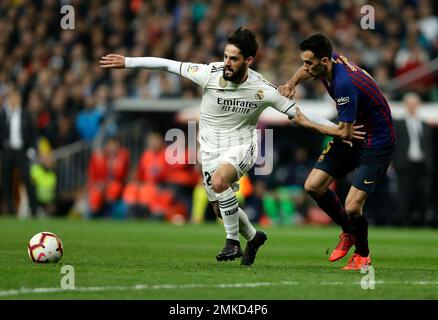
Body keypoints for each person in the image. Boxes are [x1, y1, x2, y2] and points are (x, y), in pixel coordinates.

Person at [100, 28, 361, 265]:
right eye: (225, 56)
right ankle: (253, 236)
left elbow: (301, 116)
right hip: (210, 150)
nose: (227, 62)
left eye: (234, 58)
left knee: (221, 181)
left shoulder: (262, 89)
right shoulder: (208, 74)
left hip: (242, 146)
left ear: (249, 60)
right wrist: (128, 62)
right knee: (219, 208)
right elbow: (169, 65)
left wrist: (337, 129)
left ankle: (232, 242)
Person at [279, 33, 395, 270]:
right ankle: (348, 232)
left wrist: (306, 123)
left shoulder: (344, 84)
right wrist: (291, 83)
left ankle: (363, 255)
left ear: (324, 62)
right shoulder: (330, 61)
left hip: (376, 141)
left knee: (353, 206)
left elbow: (343, 133)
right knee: (313, 185)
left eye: (310, 63)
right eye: (304, 62)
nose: (306, 68)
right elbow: (304, 71)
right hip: (355, 134)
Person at [393, 92, 434, 226]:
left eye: (414, 103)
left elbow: (429, 146)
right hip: (404, 164)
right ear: (406, 105)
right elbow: (394, 144)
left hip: (422, 164)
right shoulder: (398, 123)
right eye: (409, 103)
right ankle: (404, 222)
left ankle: (423, 221)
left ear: (418, 105)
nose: (412, 106)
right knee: (403, 194)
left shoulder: (425, 124)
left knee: (424, 193)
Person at [0, 88, 38, 217]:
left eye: (15, 97)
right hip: (7, 152)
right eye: (10, 98)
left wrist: (32, 150)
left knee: (27, 181)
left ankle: (34, 210)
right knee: (6, 181)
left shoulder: (26, 115)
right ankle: (10, 210)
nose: (12, 100)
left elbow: (33, 134)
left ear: (19, 99)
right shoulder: (4, 115)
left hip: (22, 152)